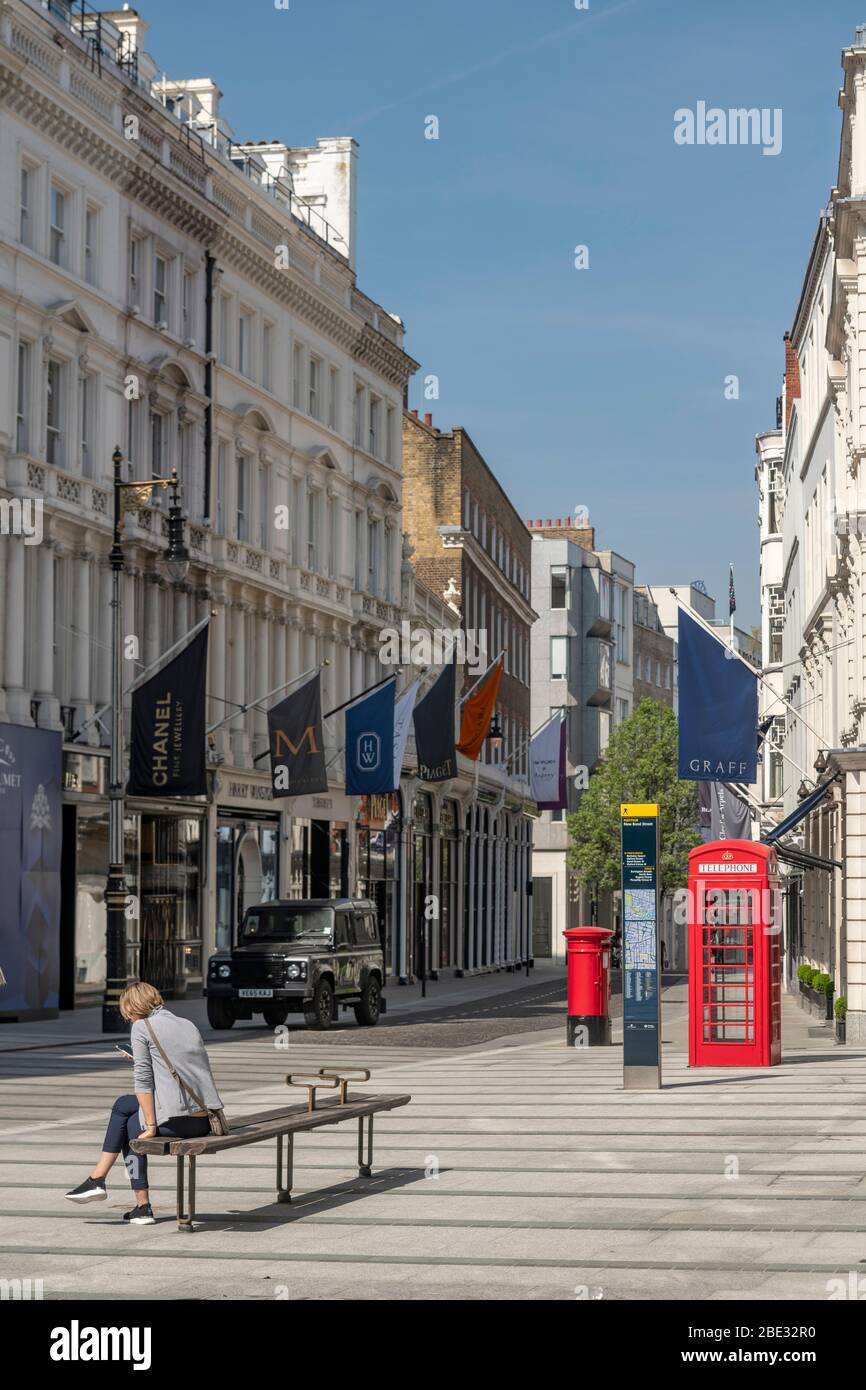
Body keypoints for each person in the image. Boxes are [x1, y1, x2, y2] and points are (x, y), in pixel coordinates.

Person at [64, 982, 223, 1225]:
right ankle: (126, 1199)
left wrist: (150, 1125)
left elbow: (143, 1081)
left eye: (125, 1010)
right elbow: (187, 1070)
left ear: (131, 1006)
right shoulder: (187, 1024)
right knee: (128, 1114)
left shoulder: (141, 1027)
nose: (126, 1016)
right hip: (204, 1120)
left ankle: (114, 1188)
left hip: (177, 1122)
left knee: (125, 1114)